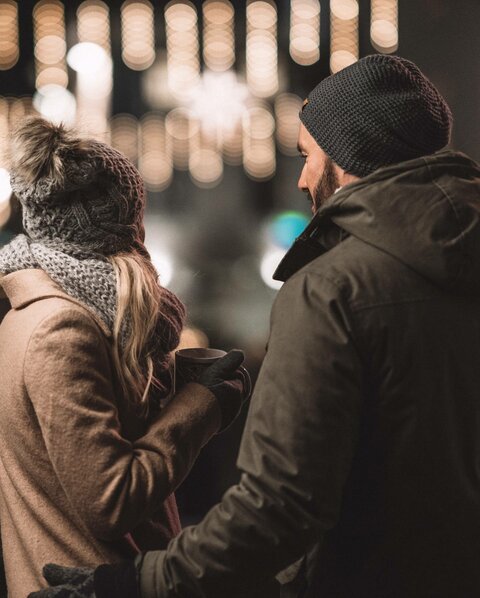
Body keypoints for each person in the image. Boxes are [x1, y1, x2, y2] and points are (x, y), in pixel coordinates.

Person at [31, 54, 480, 598]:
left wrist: (139, 581)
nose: (301, 178)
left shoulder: (332, 289)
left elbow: (282, 503)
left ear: (348, 155)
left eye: (308, 156)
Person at [0, 117, 249, 598]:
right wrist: (200, 407)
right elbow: (110, 499)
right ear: (123, 224)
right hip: (89, 585)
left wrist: (169, 391)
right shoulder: (62, 329)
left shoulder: (36, 314)